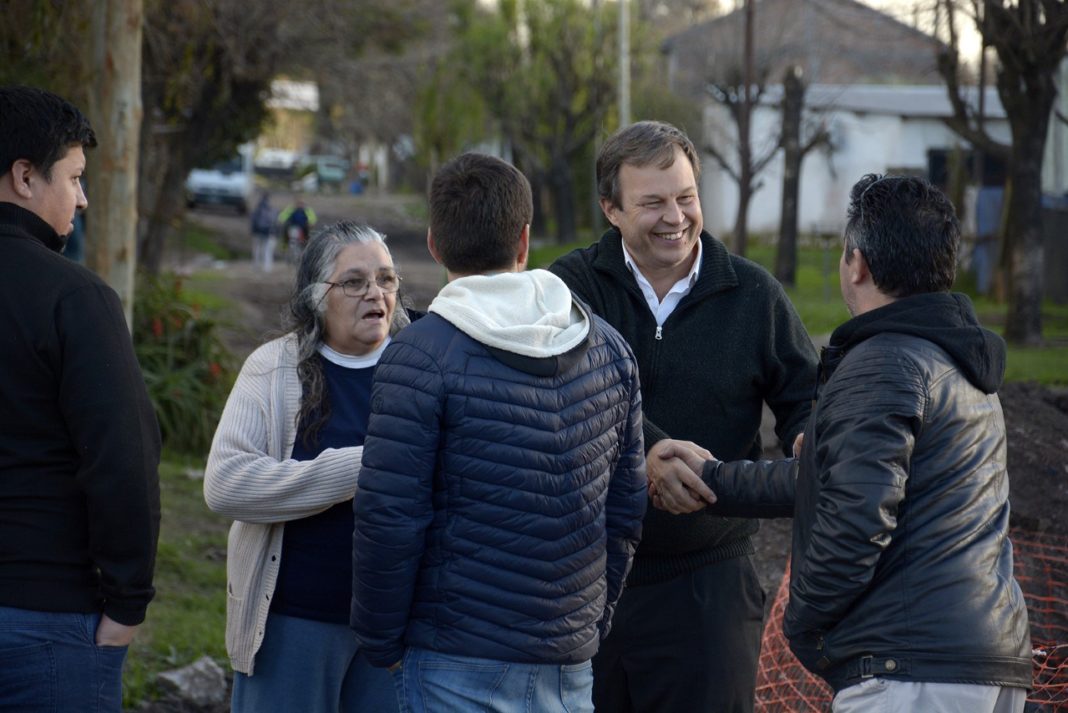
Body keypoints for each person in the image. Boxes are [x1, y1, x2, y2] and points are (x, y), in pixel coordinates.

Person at [663, 174, 1032, 712]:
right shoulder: (953, 362)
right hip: (980, 662)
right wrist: (714, 476)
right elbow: (835, 477)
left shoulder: (885, 364)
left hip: (906, 671)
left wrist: (805, 621)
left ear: (856, 263)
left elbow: (857, 514)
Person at [350, 152, 648, 713]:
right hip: (568, 661)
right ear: (524, 241)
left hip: (451, 658)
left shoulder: (418, 356)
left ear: (434, 244)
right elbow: (625, 510)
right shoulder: (610, 349)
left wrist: (380, 641)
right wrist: (590, 621)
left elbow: (390, 516)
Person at [548, 120, 819, 713]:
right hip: (578, 587)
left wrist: (808, 438)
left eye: (686, 197)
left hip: (709, 587)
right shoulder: (568, 287)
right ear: (611, 209)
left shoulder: (754, 295)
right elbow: (564, 389)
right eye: (653, 203)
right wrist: (648, 450)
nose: (676, 217)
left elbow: (807, 398)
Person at [204, 221, 415, 712]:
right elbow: (225, 485)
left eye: (386, 279)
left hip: (393, 632)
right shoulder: (275, 367)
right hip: (291, 623)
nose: (375, 294)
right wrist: (358, 468)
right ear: (316, 295)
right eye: (354, 282)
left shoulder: (418, 367)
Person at [0, 85, 162, 710]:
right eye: (73, 178)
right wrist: (127, 605)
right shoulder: (75, 298)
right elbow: (123, 457)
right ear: (23, 177)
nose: (84, 198)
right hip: (45, 624)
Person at [278, 196, 317, 264]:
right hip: (293, 228)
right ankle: (285, 249)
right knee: (287, 238)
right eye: (299, 202)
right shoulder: (291, 209)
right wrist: (281, 220)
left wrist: (311, 222)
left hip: (303, 228)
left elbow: (312, 218)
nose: (300, 204)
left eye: (301, 203)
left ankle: (305, 252)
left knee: (306, 240)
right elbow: (282, 216)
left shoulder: (307, 210)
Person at [249, 190, 277, 272]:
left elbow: (253, 219)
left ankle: (256, 265)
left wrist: (252, 230)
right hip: (266, 232)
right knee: (267, 250)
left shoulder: (257, 208)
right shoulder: (270, 209)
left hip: (257, 232)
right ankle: (267, 267)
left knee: (257, 249)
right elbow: (272, 221)